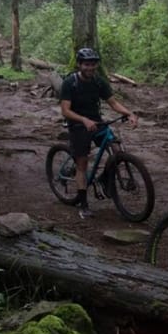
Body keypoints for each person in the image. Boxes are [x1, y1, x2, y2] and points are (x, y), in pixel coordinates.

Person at [60, 47, 139, 219]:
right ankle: (83, 204)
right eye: (87, 64)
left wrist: (128, 113)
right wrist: (83, 120)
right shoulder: (70, 82)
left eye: (93, 64)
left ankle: (104, 179)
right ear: (80, 64)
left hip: (97, 122)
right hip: (78, 125)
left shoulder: (98, 82)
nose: (90, 68)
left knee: (117, 150)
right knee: (82, 164)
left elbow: (112, 102)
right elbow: (65, 110)